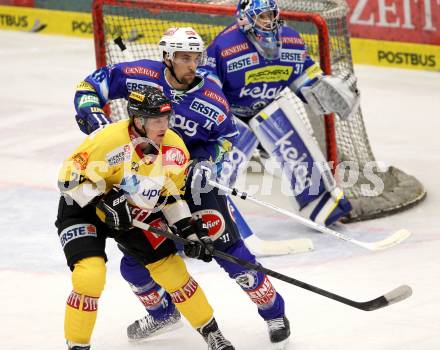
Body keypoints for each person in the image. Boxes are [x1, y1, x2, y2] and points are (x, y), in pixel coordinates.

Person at [73, 27, 291, 348]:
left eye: (195, 57)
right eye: (184, 58)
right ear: (167, 57)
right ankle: (162, 312)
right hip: (146, 180)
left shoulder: (211, 97)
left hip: (191, 179)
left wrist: (207, 160)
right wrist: (93, 116)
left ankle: (273, 310)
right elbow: (91, 85)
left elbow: (228, 137)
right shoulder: (141, 74)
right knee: (135, 261)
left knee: (226, 248)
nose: (192, 64)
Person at [57, 87, 234, 350]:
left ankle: (212, 333)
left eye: (166, 119)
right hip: (83, 207)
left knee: (173, 271)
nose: (164, 126)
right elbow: (66, 179)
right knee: (90, 277)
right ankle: (77, 346)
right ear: (138, 121)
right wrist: (101, 200)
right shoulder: (108, 140)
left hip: (132, 210)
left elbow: (172, 197)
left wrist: (190, 233)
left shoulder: (174, 148)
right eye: (156, 120)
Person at [203, 0, 359, 227]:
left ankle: (322, 204)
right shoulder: (225, 46)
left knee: (284, 128)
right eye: (261, 16)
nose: (268, 21)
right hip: (231, 116)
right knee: (220, 166)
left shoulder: (291, 41)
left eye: (271, 15)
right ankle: (205, 210)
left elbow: (306, 80)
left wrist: (328, 91)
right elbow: (208, 87)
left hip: (266, 110)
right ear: (244, 18)